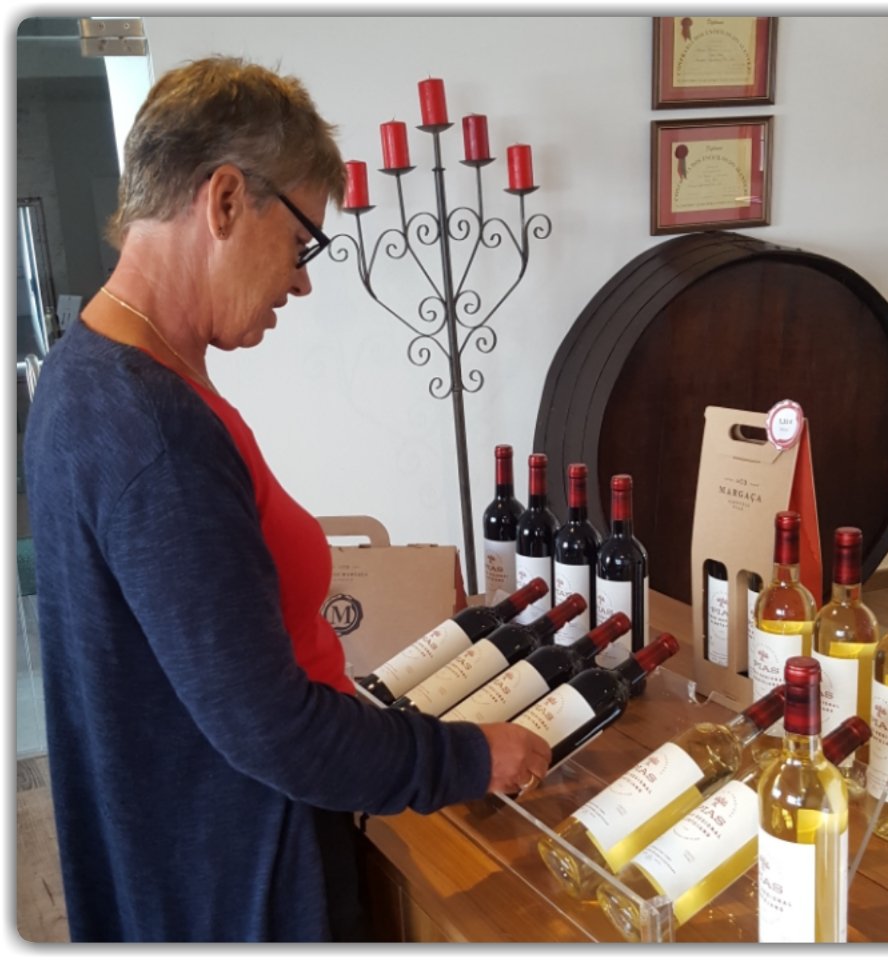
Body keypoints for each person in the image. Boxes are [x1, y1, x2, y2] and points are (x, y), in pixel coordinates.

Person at [23, 56, 550, 943]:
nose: (303, 281)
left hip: (167, 855)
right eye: (304, 242)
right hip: (239, 883)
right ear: (226, 200)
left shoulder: (85, 371)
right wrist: (468, 757)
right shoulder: (154, 432)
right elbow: (275, 733)